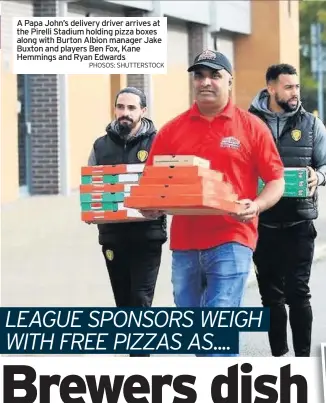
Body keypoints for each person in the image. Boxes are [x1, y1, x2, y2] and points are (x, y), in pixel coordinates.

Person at [142, 50, 285, 356]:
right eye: (199, 75)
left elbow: (276, 180)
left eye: (214, 75)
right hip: (185, 242)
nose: (206, 82)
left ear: (229, 81)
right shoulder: (171, 130)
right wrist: (150, 206)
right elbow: (152, 182)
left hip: (232, 236)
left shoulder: (251, 127)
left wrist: (257, 205)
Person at [249, 63, 326, 357]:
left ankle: (303, 361)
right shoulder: (249, 123)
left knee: (298, 293)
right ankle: (279, 360)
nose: (295, 93)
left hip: (299, 225)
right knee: (270, 298)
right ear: (271, 88)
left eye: (297, 87)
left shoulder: (312, 125)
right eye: (288, 87)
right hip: (262, 225)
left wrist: (316, 177)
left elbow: (324, 165)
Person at [87, 87, 167, 356]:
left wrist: (163, 205)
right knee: (123, 303)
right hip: (112, 237)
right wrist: (91, 210)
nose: (125, 113)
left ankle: (140, 366)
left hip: (148, 236)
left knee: (141, 301)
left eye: (131, 108)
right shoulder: (100, 145)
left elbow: (169, 185)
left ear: (143, 112)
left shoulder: (158, 143)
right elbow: (92, 189)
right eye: (121, 107)